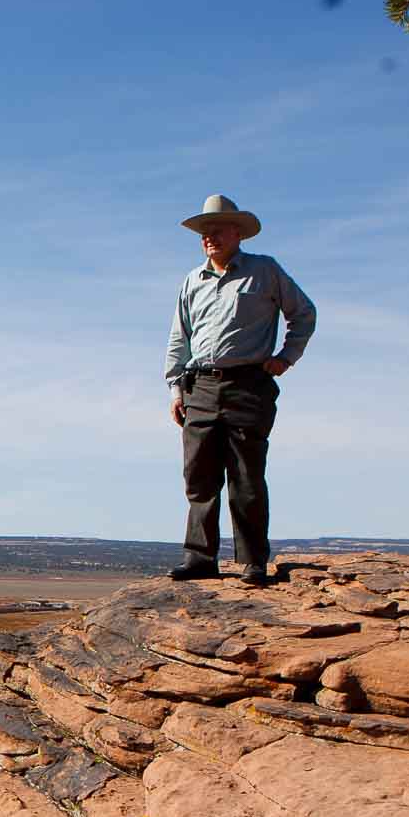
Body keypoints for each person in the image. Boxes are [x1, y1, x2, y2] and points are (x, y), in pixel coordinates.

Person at [163, 194, 316, 586]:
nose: (209, 237)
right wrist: (176, 388)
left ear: (237, 232)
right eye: (204, 232)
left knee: (246, 475)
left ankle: (252, 560)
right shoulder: (192, 281)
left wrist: (286, 357)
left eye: (216, 229)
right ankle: (199, 557)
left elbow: (303, 313)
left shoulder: (264, 271)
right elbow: (179, 338)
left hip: (249, 384)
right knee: (199, 476)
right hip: (200, 387)